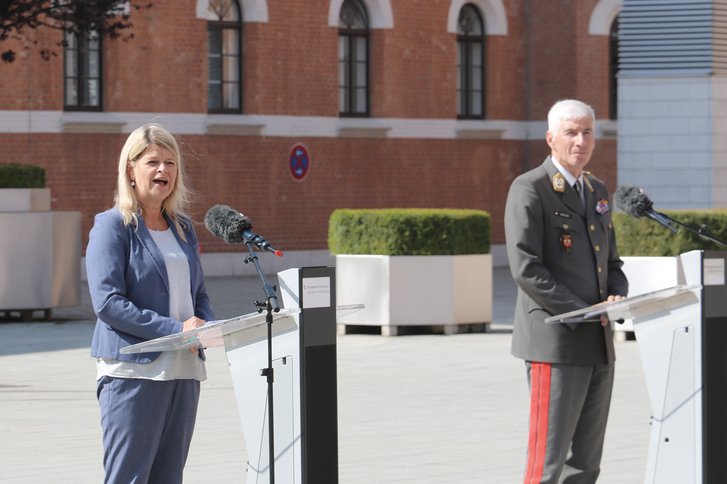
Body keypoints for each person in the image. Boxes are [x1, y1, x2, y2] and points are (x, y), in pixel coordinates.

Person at [504, 99, 629, 483]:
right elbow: (526, 267)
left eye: (587, 132)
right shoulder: (530, 188)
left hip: (597, 343)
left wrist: (617, 295)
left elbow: (612, 263)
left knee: (586, 463)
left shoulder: (596, 189)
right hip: (555, 342)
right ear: (550, 139)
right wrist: (581, 312)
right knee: (548, 462)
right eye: (571, 132)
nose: (580, 141)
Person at [86, 123, 215, 484]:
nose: (164, 171)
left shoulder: (183, 228)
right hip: (133, 373)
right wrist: (177, 331)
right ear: (130, 168)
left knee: (169, 477)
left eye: (171, 163)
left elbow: (199, 293)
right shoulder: (112, 227)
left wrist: (208, 327)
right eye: (153, 162)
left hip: (184, 371)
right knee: (129, 477)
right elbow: (108, 303)